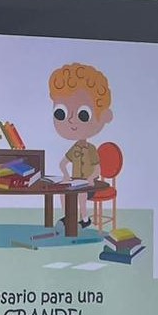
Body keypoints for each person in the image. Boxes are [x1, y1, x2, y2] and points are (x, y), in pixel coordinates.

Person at [49, 62, 114, 226]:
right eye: (61, 113)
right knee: (63, 192)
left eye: (83, 115)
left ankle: (85, 218)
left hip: (89, 185)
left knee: (82, 193)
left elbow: (97, 169)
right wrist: (65, 174)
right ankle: (68, 216)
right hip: (74, 182)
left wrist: (91, 178)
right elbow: (63, 163)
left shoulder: (91, 149)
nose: (71, 120)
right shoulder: (75, 147)